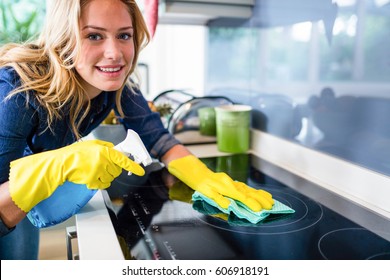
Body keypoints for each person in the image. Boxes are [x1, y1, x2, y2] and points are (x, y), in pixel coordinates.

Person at [0, 0, 273, 260]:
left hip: (23, 194)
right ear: (63, 39)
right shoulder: (16, 92)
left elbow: (159, 140)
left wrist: (203, 178)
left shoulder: (116, 86)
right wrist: (58, 166)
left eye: (124, 36)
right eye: (94, 36)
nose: (115, 53)